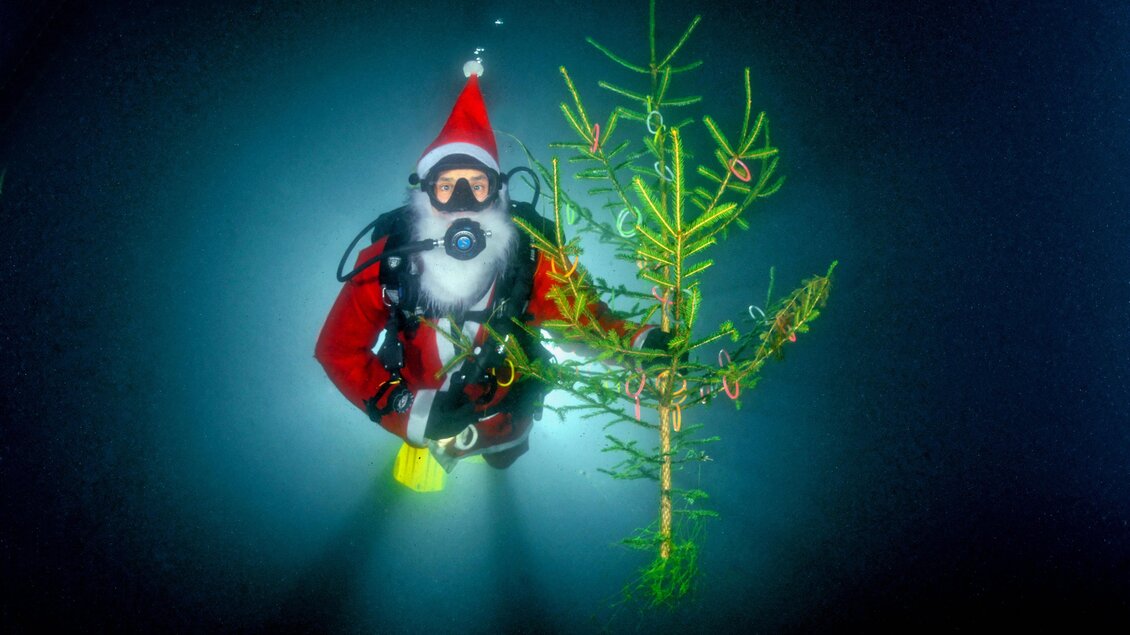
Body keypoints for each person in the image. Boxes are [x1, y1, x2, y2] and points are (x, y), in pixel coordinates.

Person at [315, 71, 661, 476]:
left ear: (497, 192)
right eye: (446, 186)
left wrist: (640, 344)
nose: (462, 201)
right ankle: (433, 447)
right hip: (419, 404)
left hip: (504, 413)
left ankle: (487, 459)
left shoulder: (530, 255)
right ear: (424, 193)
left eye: (476, 185)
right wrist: (405, 411)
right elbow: (337, 349)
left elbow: (582, 320)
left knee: (503, 461)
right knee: (432, 447)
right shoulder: (387, 261)